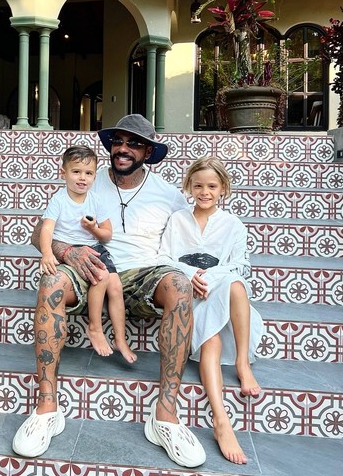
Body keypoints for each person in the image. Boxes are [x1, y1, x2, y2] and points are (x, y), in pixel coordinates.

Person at [12, 114, 207, 468]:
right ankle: (47, 407)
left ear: (148, 151)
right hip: (87, 269)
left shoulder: (168, 194)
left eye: (134, 143)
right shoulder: (86, 179)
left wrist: (200, 272)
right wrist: (67, 252)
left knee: (178, 285)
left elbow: (191, 238)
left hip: (144, 274)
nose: (123, 149)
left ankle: (165, 416)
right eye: (118, 141)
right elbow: (37, 234)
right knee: (51, 283)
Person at [157, 157, 264, 465]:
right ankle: (221, 420)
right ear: (189, 187)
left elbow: (242, 265)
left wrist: (210, 278)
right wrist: (191, 276)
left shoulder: (233, 225)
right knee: (211, 341)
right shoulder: (178, 220)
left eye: (212, 187)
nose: (205, 192)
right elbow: (163, 257)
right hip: (190, 294)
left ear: (223, 189)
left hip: (223, 291)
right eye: (199, 186)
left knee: (236, 284)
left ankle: (242, 362)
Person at [39, 145, 137, 363]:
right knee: (102, 276)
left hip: (95, 247)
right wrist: (47, 253)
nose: (83, 178)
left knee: (116, 286)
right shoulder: (59, 200)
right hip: (72, 248)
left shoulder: (96, 200)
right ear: (63, 173)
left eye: (89, 173)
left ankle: (120, 338)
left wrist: (93, 229)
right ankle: (95, 327)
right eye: (76, 172)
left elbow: (107, 234)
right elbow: (46, 229)